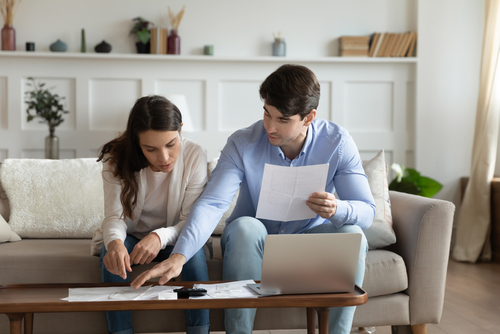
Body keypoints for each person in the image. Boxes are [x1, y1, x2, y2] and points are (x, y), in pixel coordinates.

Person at [131, 65, 376, 334]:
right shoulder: (242, 142)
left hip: (310, 241)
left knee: (353, 233)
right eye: (266, 113)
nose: (270, 126)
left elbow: (366, 212)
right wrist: (179, 256)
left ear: (309, 118)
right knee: (245, 227)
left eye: (283, 120)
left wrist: (337, 207)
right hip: (253, 242)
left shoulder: (337, 143)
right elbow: (213, 204)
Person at [91, 95, 210, 334]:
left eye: (171, 144)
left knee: (193, 254)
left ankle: (199, 331)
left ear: (181, 130)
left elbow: (191, 221)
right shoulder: (117, 158)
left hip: (174, 236)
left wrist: (158, 237)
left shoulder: (195, 155)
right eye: (151, 149)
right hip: (132, 236)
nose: (164, 158)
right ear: (137, 142)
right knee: (112, 251)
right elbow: (114, 217)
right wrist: (115, 243)